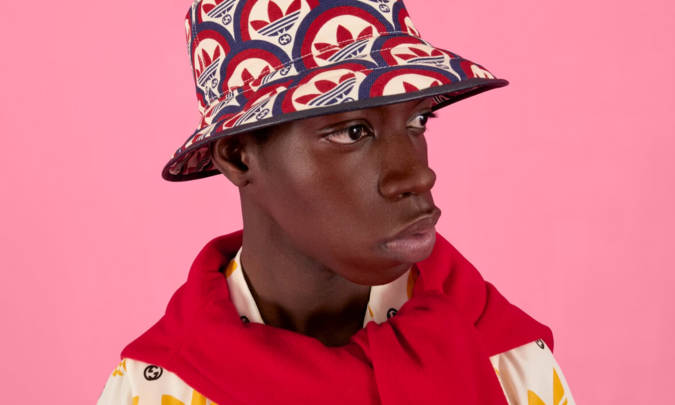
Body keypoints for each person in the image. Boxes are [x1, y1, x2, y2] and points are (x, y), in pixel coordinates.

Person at [98, 0, 575, 403]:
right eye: (352, 131)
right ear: (240, 157)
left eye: (417, 121)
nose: (418, 175)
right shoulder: (160, 389)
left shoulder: (503, 357)